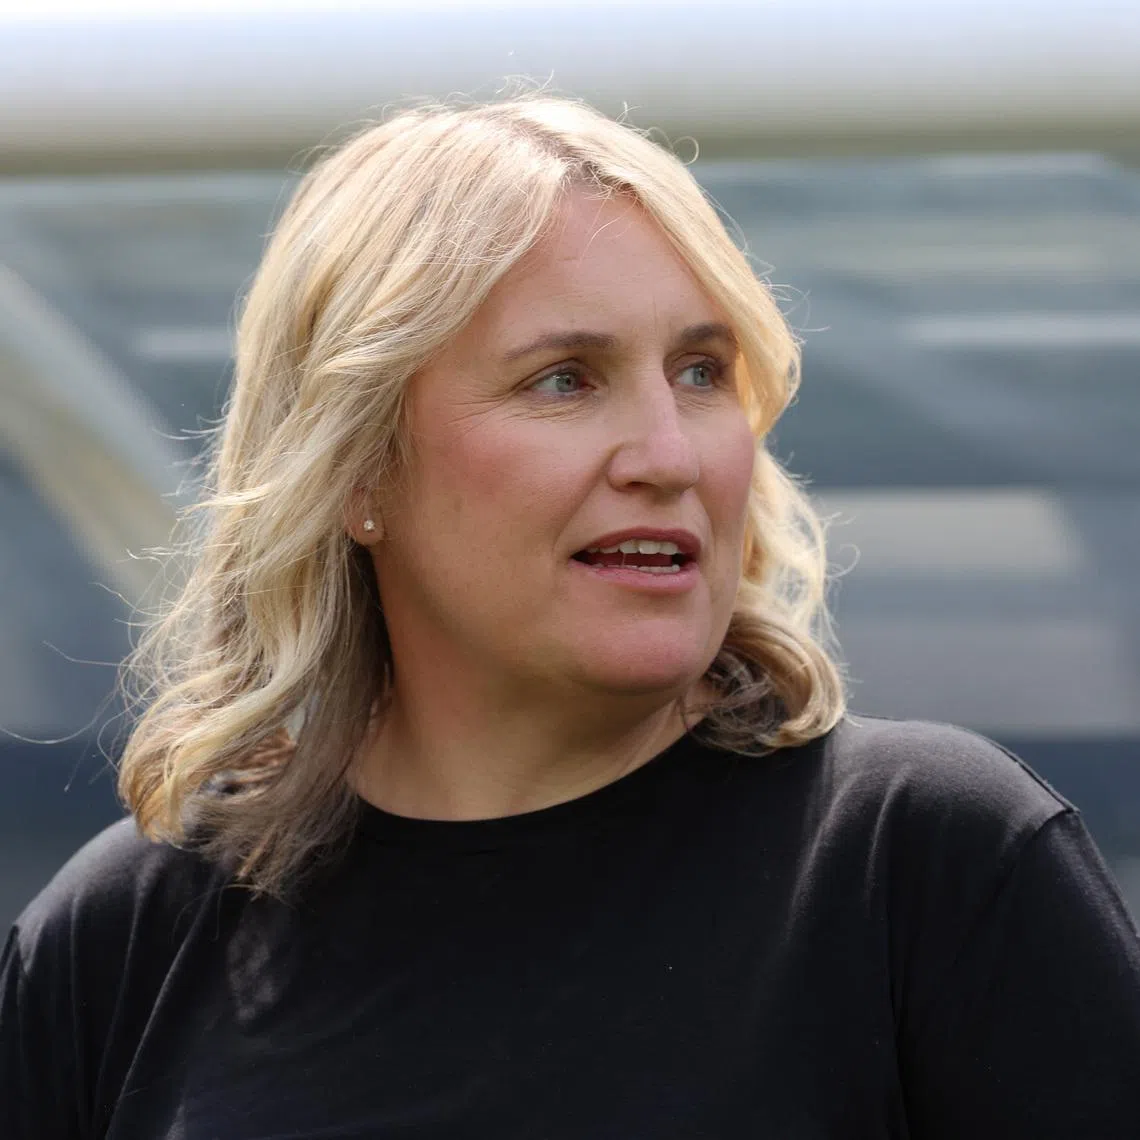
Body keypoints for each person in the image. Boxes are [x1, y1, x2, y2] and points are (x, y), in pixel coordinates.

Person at [2, 94, 1139, 1139]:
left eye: (700, 372)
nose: (668, 453)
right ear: (355, 472)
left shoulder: (926, 862)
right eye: (565, 379)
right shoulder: (128, 937)